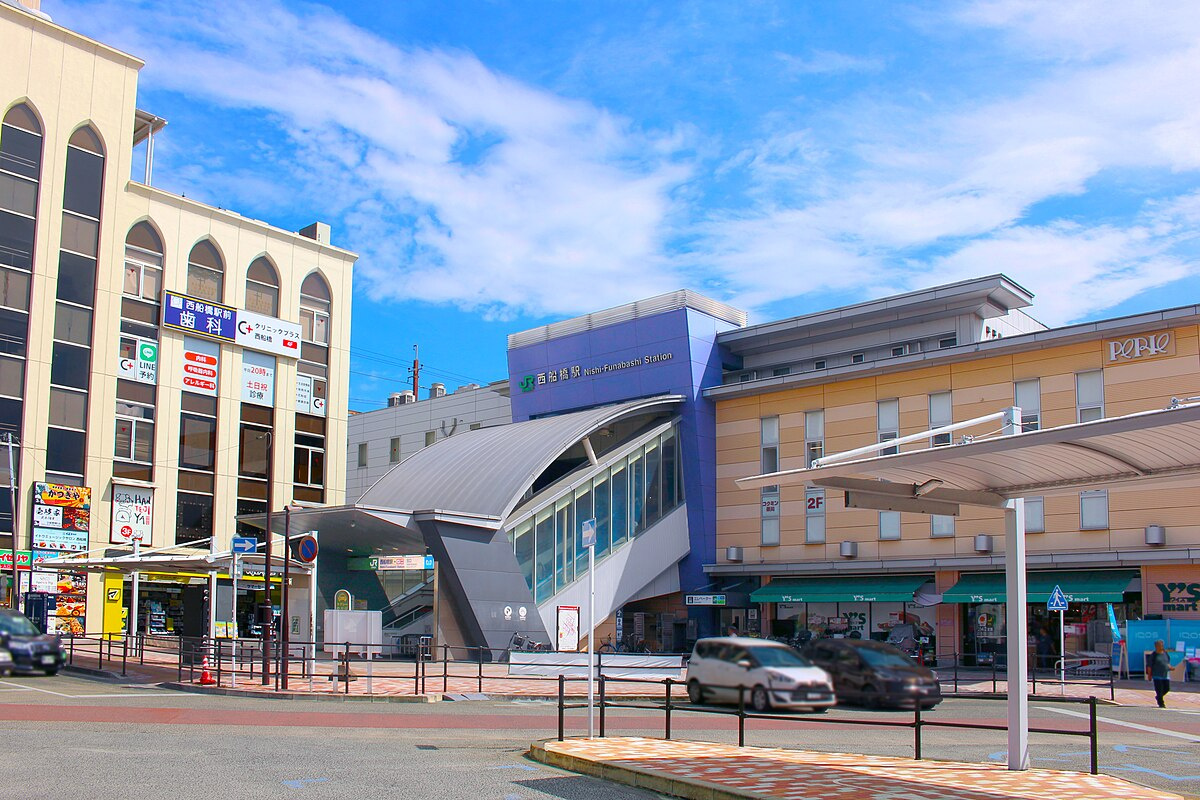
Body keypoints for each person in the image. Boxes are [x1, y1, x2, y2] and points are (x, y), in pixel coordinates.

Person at [1150, 640, 1172, 708]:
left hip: (1165, 675)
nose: (1161, 646)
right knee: (1159, 690)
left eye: (1162, 645)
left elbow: (1167, 662)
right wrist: (1149, 675)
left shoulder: (1165, 653)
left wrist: (1170, 667)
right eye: (1160, 645)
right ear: (1156, 646)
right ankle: (1161, 703)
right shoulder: (1154, 655)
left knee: (1167, 688)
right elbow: (1149, 665)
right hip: (1157, 675)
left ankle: (1159, 697)